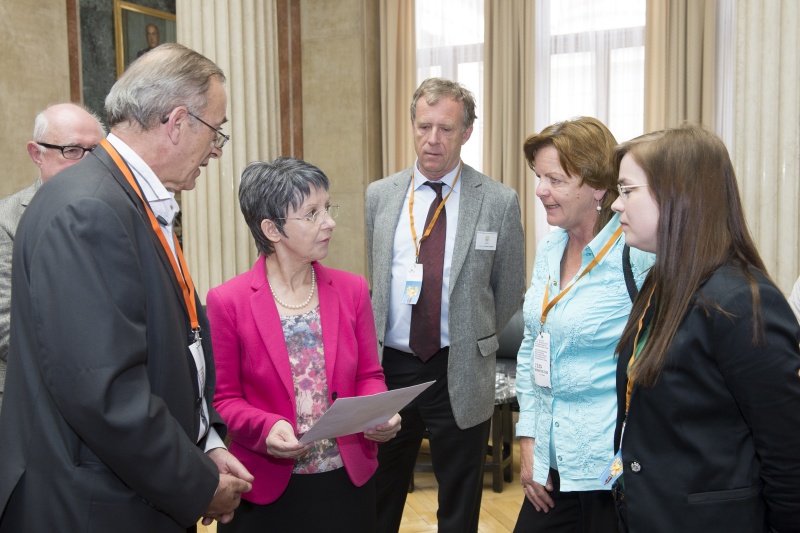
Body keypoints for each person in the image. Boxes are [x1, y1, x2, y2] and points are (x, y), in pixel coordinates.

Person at [0, 43, 253, 531]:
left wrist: (207, 441)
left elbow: (179, 341)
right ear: (178, 122)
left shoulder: (124, 196)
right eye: (216, 131)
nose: (218, 150)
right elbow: (105, 393)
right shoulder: (90, 209)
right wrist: (197, 484)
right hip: (94, 505)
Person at [610, 124, 800, 532]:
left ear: (678, 196)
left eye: (628, 191)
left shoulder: (741, 303)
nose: (615, 205)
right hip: (650, 511)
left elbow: (787, 451)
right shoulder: (663, 281)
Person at [207, 157, 401, 532]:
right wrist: (267, 428)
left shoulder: (352, 289)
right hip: (266, 490)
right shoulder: (227, 302)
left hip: (347, 481)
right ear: (272, 229)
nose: (328, 222)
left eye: (327, 209)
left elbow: (369, 374)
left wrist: (379, 412)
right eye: (311, 213)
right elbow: (224, 400)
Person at [366, 77, 526, 532]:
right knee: (381, 494)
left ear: (467, 132)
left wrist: (471, 331)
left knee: (459, 502)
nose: (432, 139)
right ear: (412, 126)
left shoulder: (497, 201)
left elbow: (509, 287)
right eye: (424, 126)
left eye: (446, 129)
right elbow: (379, 282)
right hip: (391, 368)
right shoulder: (381, 195)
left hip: (459, 368)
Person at [513, 117, 654, 533]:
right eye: (539, 177)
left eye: (554, 179)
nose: (540, 190)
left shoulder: (637, 255)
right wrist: (529, 444)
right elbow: (530, 348)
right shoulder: (550, 246)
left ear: (597, 186)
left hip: (609, 471)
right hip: (551, 466)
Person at [0, 102, 106, 413]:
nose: (87, 162)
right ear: (37, 154)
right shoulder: (7, 222)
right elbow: (6, 324)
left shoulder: (120, 214)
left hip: (110, 399)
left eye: (96, 151)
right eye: (72, 151)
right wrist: (86, 374)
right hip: (32, 401)